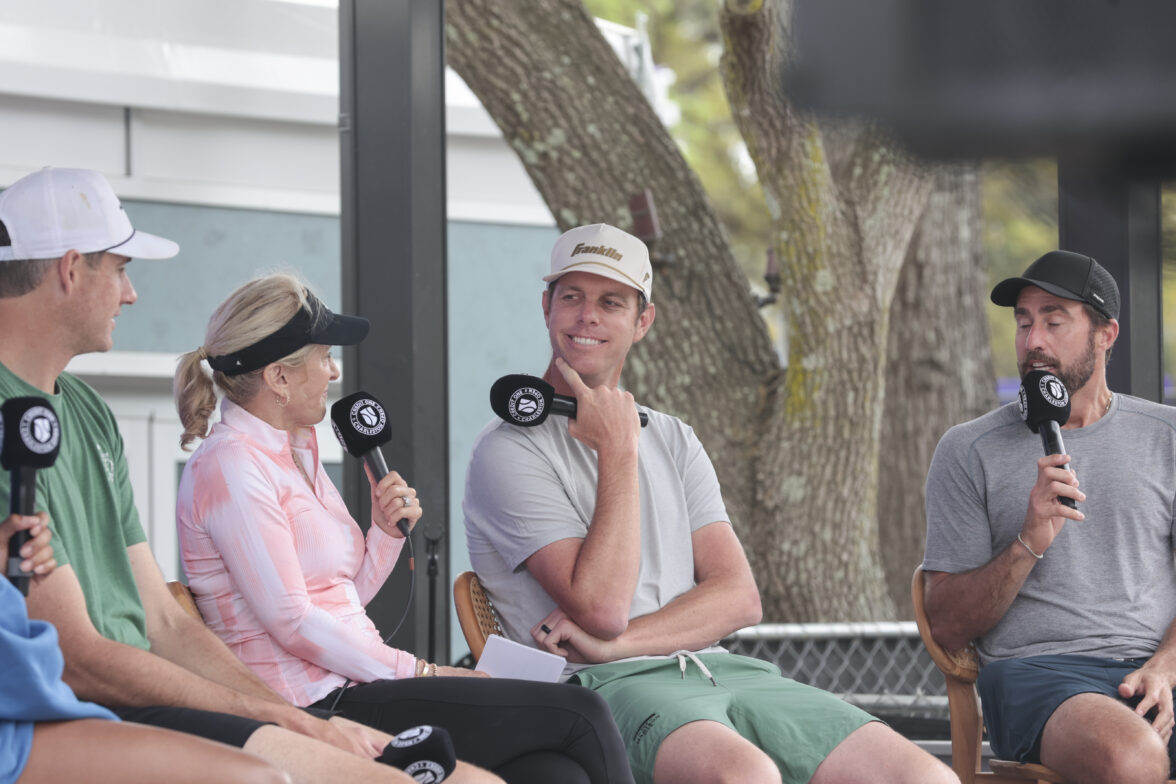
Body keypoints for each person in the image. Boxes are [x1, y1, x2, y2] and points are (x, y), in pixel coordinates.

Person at [0, 166, 500, 784]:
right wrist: (287, 715)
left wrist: (286, 718)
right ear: (71, 269)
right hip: (89, 712)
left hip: (147, 700)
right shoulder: (228, 461)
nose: (131, 294)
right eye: (122, 269)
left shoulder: (88, 411)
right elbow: (81, 656)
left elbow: (162, 620)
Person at [463, 223, 958, 784]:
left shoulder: (674, 437)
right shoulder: (507, 450)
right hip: (595, 690)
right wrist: (619, 450)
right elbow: (601, 609)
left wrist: (617, 644)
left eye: (611, 302)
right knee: (744, 777)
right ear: (546, 307)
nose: (587, 317)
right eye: (572, 297)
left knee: (926, 778)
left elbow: (738, 598)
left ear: (642, 322)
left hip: (716, 668)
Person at [173, 272, 635, 784]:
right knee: (581, 713)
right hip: (314, 705)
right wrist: (421, 671)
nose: (334, 371)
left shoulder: (296, 449)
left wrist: (384, 534)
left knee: (553, 772)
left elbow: (341, 599)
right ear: (279, 378)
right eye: (324, 357)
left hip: (357, 683)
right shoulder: (230, 464)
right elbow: (293, 621)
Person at [923, 249, 1176, 784]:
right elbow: (946, 623)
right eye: (1023, 323)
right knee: (1129, 756)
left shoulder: (1167, 438)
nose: (1033, 340)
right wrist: (1029, 540)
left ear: (1105, 334)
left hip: (1156, 669)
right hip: (1039, 675)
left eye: (1053, 322)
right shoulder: (968, 449)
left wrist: (1164, 666)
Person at [0, 513, 289, 784]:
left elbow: (167, 624)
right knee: (260, 777)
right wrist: (261, 710)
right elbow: (72, 660)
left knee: (267, 771)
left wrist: (282, 712)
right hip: (27, 722)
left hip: (34, 714)